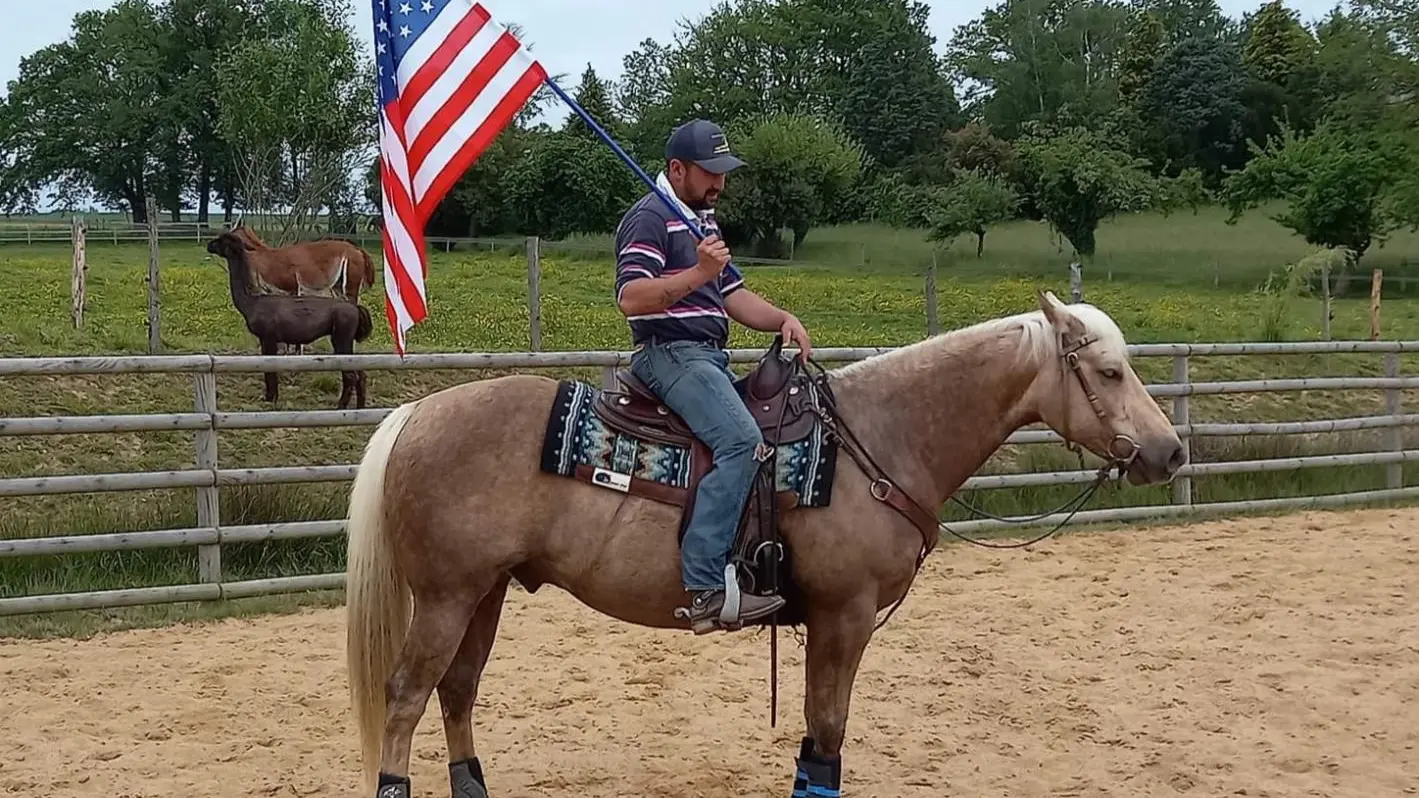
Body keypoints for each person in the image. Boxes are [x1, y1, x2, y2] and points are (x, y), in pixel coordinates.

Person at [613, 118, 814, 633]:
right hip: (669, 354)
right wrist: (698, 273)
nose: (720, 184)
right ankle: (705, 582)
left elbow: (733, 296)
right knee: (742, 441)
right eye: (710, 173)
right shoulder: (649, 218)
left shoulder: (702, 221)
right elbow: (631, 298)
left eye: (724, 173)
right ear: (677, 169)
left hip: (707, 356)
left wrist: (783, 318)